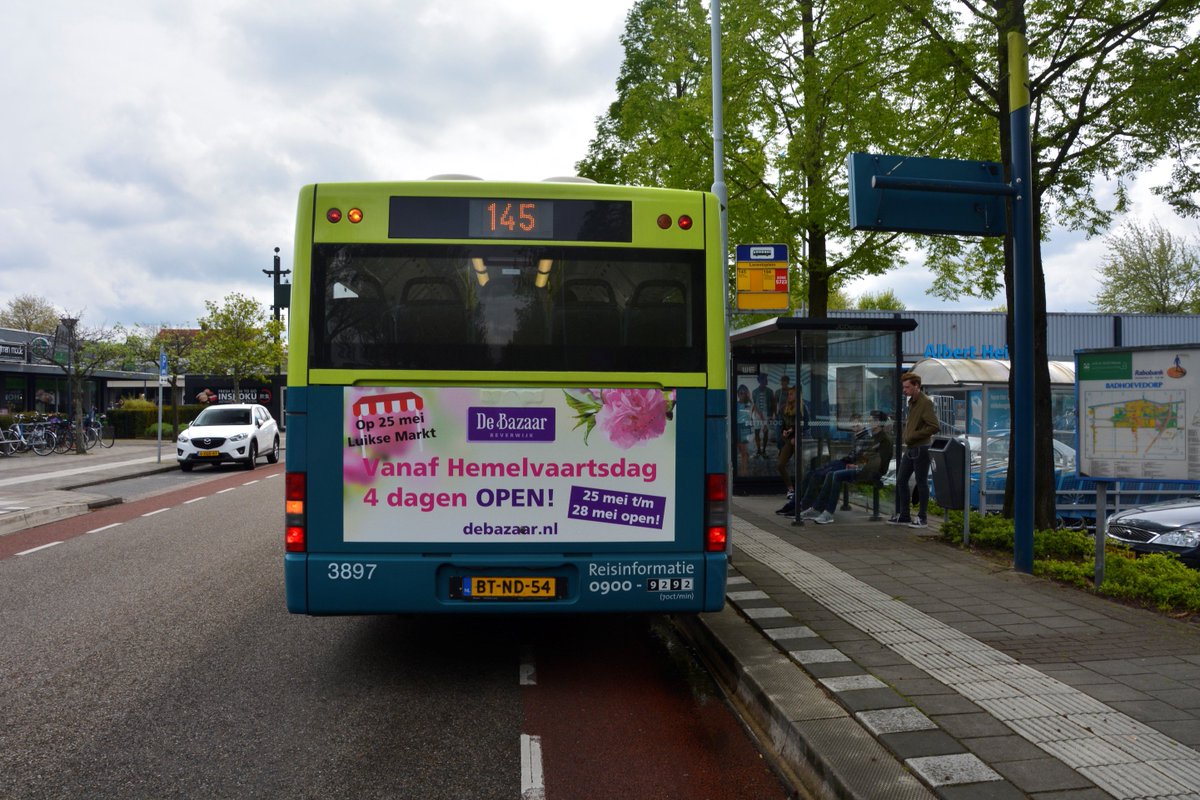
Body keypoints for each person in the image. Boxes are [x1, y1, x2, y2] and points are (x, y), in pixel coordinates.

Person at [805, 411, 892, 524]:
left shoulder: (884, 440)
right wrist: (858, 465)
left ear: (879, 423)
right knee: (831, 474)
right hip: (864, 469)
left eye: (871, 420)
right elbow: (867, 457)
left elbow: (879, 462)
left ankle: (828, 512)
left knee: (836, 474)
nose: (869, 422)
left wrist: (859, 467)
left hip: (871, 473)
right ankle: (817, 509)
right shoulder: (874, 436)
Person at [788, 415, 869, 515]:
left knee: (817, 475)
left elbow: (856, 456)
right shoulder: (859, 437)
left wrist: (848, 461)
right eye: (853, 424)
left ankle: (804, 505)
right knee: (812, 473)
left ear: (863, 424)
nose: (854, 425)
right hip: (846, 462)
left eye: (857, 423)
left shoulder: (864, 438)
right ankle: (799, 503)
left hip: (849, 465)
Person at [889, 372, 940, 528]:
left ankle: (922, 518)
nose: (904, 390)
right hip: (911, 447)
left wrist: (913, 435)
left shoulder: (925, 402)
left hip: (921, 447)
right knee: (901, 480)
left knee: (921, 482)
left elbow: (934, 426)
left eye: (907, 387)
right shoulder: (912, 402)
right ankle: (904, 515)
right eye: (903, 387)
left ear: (916, 386)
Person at [774, 386, 798, 514]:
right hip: (789, 440)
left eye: (792, 394)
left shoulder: (801, 408)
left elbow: (803, 424)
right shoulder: (785, 408)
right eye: (788, 394)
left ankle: (799, 491)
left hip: (798, 439)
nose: (789, 396)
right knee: (780, 464)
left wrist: (793, 432)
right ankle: (791, 489)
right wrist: (784, 431)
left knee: (800, 467)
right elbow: (783, 423)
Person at [750, 373, 775, 458]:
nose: (766, 380)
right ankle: (758, 450)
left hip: (766, 414)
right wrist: (751, 416)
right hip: (757, 414)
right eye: (765, 379)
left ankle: (764, 450)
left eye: (766, 379)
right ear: (760, 381)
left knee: (766, 432)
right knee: (756, 432)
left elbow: (772, 404)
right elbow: (754, 404)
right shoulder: (754, 392)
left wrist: (771, 416)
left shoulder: (770, 391)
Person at [735, 384, 753, 474]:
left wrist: (764, 423)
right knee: (739, 448)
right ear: (738, 394)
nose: (741, 394)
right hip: (737, 426)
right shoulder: (735, 404)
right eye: (740, 393)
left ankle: (744, 470)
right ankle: (745, 460)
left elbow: (758, 413)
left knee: (743, 451)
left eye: (743, 393)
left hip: (745, 427)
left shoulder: (749, 404)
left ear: (746, 394)